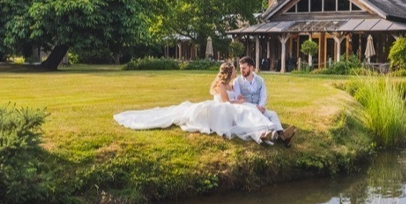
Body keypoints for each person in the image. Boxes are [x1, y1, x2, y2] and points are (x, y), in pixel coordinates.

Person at [113, 61, 281, 144]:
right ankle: (262, 132)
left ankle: (266, 131)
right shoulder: (221, 85)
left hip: (230, 106)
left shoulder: (232, 84)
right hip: (223, 108)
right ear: (229, 72)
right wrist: (238, 102)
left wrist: (239, 100)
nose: (238, 72)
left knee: (248, 109)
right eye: (236, 70)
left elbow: (234, 98)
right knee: (245, 112)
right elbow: (226, 102)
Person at [233, 56, 296, 147]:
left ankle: (281, 133)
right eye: (240, 68)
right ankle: (269, 134)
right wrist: (241, 99)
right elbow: (238, 99)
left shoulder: (260, 80)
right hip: (247, 109)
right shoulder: (237, 81)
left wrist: (261, 106)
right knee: (258, 120)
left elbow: (263, 95)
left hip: (258, 107)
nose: (241, 70)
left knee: (272, 114)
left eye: (244, 68)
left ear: (251, 68)